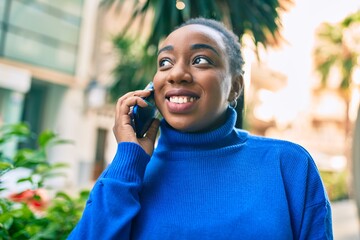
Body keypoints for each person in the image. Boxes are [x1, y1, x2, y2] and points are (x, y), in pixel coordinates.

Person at [68, 17, 333, 239]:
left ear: (235, 87)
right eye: (165, 62)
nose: (176, 74)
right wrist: (128, 157)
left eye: (200, 60)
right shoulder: (130, 174)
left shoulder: (288, 164)